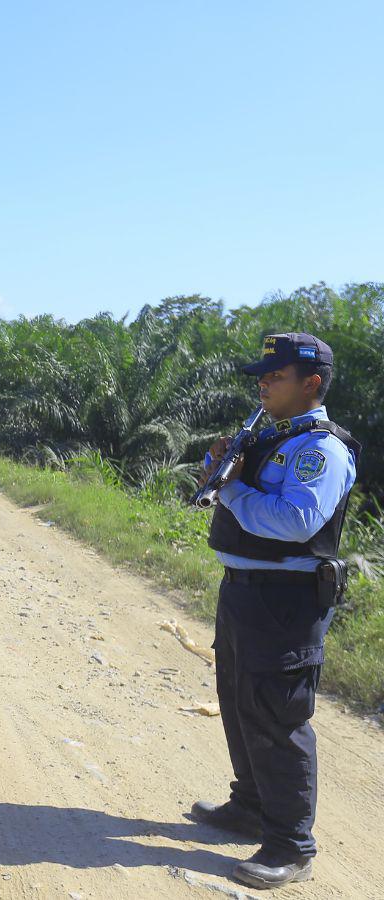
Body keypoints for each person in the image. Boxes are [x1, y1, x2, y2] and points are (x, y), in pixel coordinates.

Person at [193, 333, 358, 890]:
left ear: (311, 383)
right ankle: (249, 807)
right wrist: (220, 471)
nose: (262, 383)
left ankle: (291, 846)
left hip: (285, 601)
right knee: (239, 701)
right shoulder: (270, 436)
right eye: (261, 376)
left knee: (278, 717)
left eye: (275, 376)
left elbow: (296, 522)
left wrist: (233, 489)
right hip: (243, 588)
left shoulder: (321, 449)